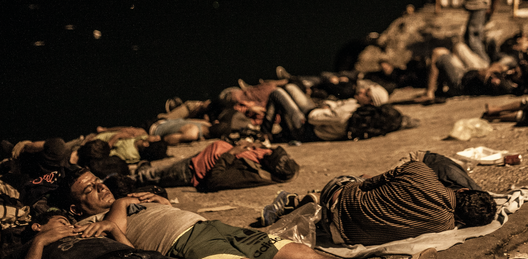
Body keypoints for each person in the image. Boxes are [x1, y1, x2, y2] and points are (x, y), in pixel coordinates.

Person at [59, 168, 329, 259]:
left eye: (97, 181)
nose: (100, 187)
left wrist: (160, 203)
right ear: (75, 208)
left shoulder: (131, 201)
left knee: (301, 253)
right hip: (183, 242)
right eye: (89, 190)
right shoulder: (90, 225)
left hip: (210, 225)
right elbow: (124, 248)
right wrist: (123, 203)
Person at [317, 157, 496, 245]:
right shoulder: (445, 227)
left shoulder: (420, 169)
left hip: (335, 197)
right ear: (462, 222)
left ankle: (315, 199)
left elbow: (368, 184)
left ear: (464, 189)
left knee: (362, 178)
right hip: (342, 236)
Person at [0, 209, 175, 259]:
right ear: (37, 226)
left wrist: (112, 228)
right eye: (62, 222)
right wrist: (40, 242)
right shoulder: (31, 248)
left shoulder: (85, 234)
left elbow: (129, 250)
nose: (71, 227)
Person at [132, 139, 299, 192]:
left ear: (271, 165)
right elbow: (258, 150)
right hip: (196, 159)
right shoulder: (265, 158)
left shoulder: (254, 175)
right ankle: (143, 171)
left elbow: (215, 180)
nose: (267, 151)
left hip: (190, 171)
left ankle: (129, 180)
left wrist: (231, 153)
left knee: (148, 177)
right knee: (154, 171)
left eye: (270, 154)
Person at [260, 82, 390, 142]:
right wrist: (327, 106)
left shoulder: (346, 114)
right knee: (290, 87)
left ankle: (265, 134)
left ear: (371, 102)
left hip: (306, 128)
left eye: (365, 93)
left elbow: (312, 118)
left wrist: (321, 109)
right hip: (317, 116)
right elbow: (337, 103)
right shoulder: (357, 105)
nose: (361, 91)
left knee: (277, 93)